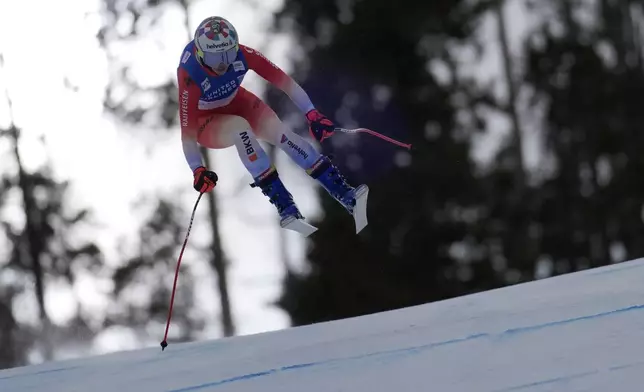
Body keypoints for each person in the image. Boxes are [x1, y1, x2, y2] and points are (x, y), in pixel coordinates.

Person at [177, 15, 367, 230]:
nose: (223, 63)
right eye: (215, 57)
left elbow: (285, 82)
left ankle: (345, 194)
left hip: (237, 102)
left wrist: (312, 113)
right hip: (206, 121)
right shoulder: (189, 73)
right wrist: (197, 169)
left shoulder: (244, 54)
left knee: (282, 134)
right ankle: (285, 207)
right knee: (240, 129)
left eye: (229, 53)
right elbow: (188, 133)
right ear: (200, 54)